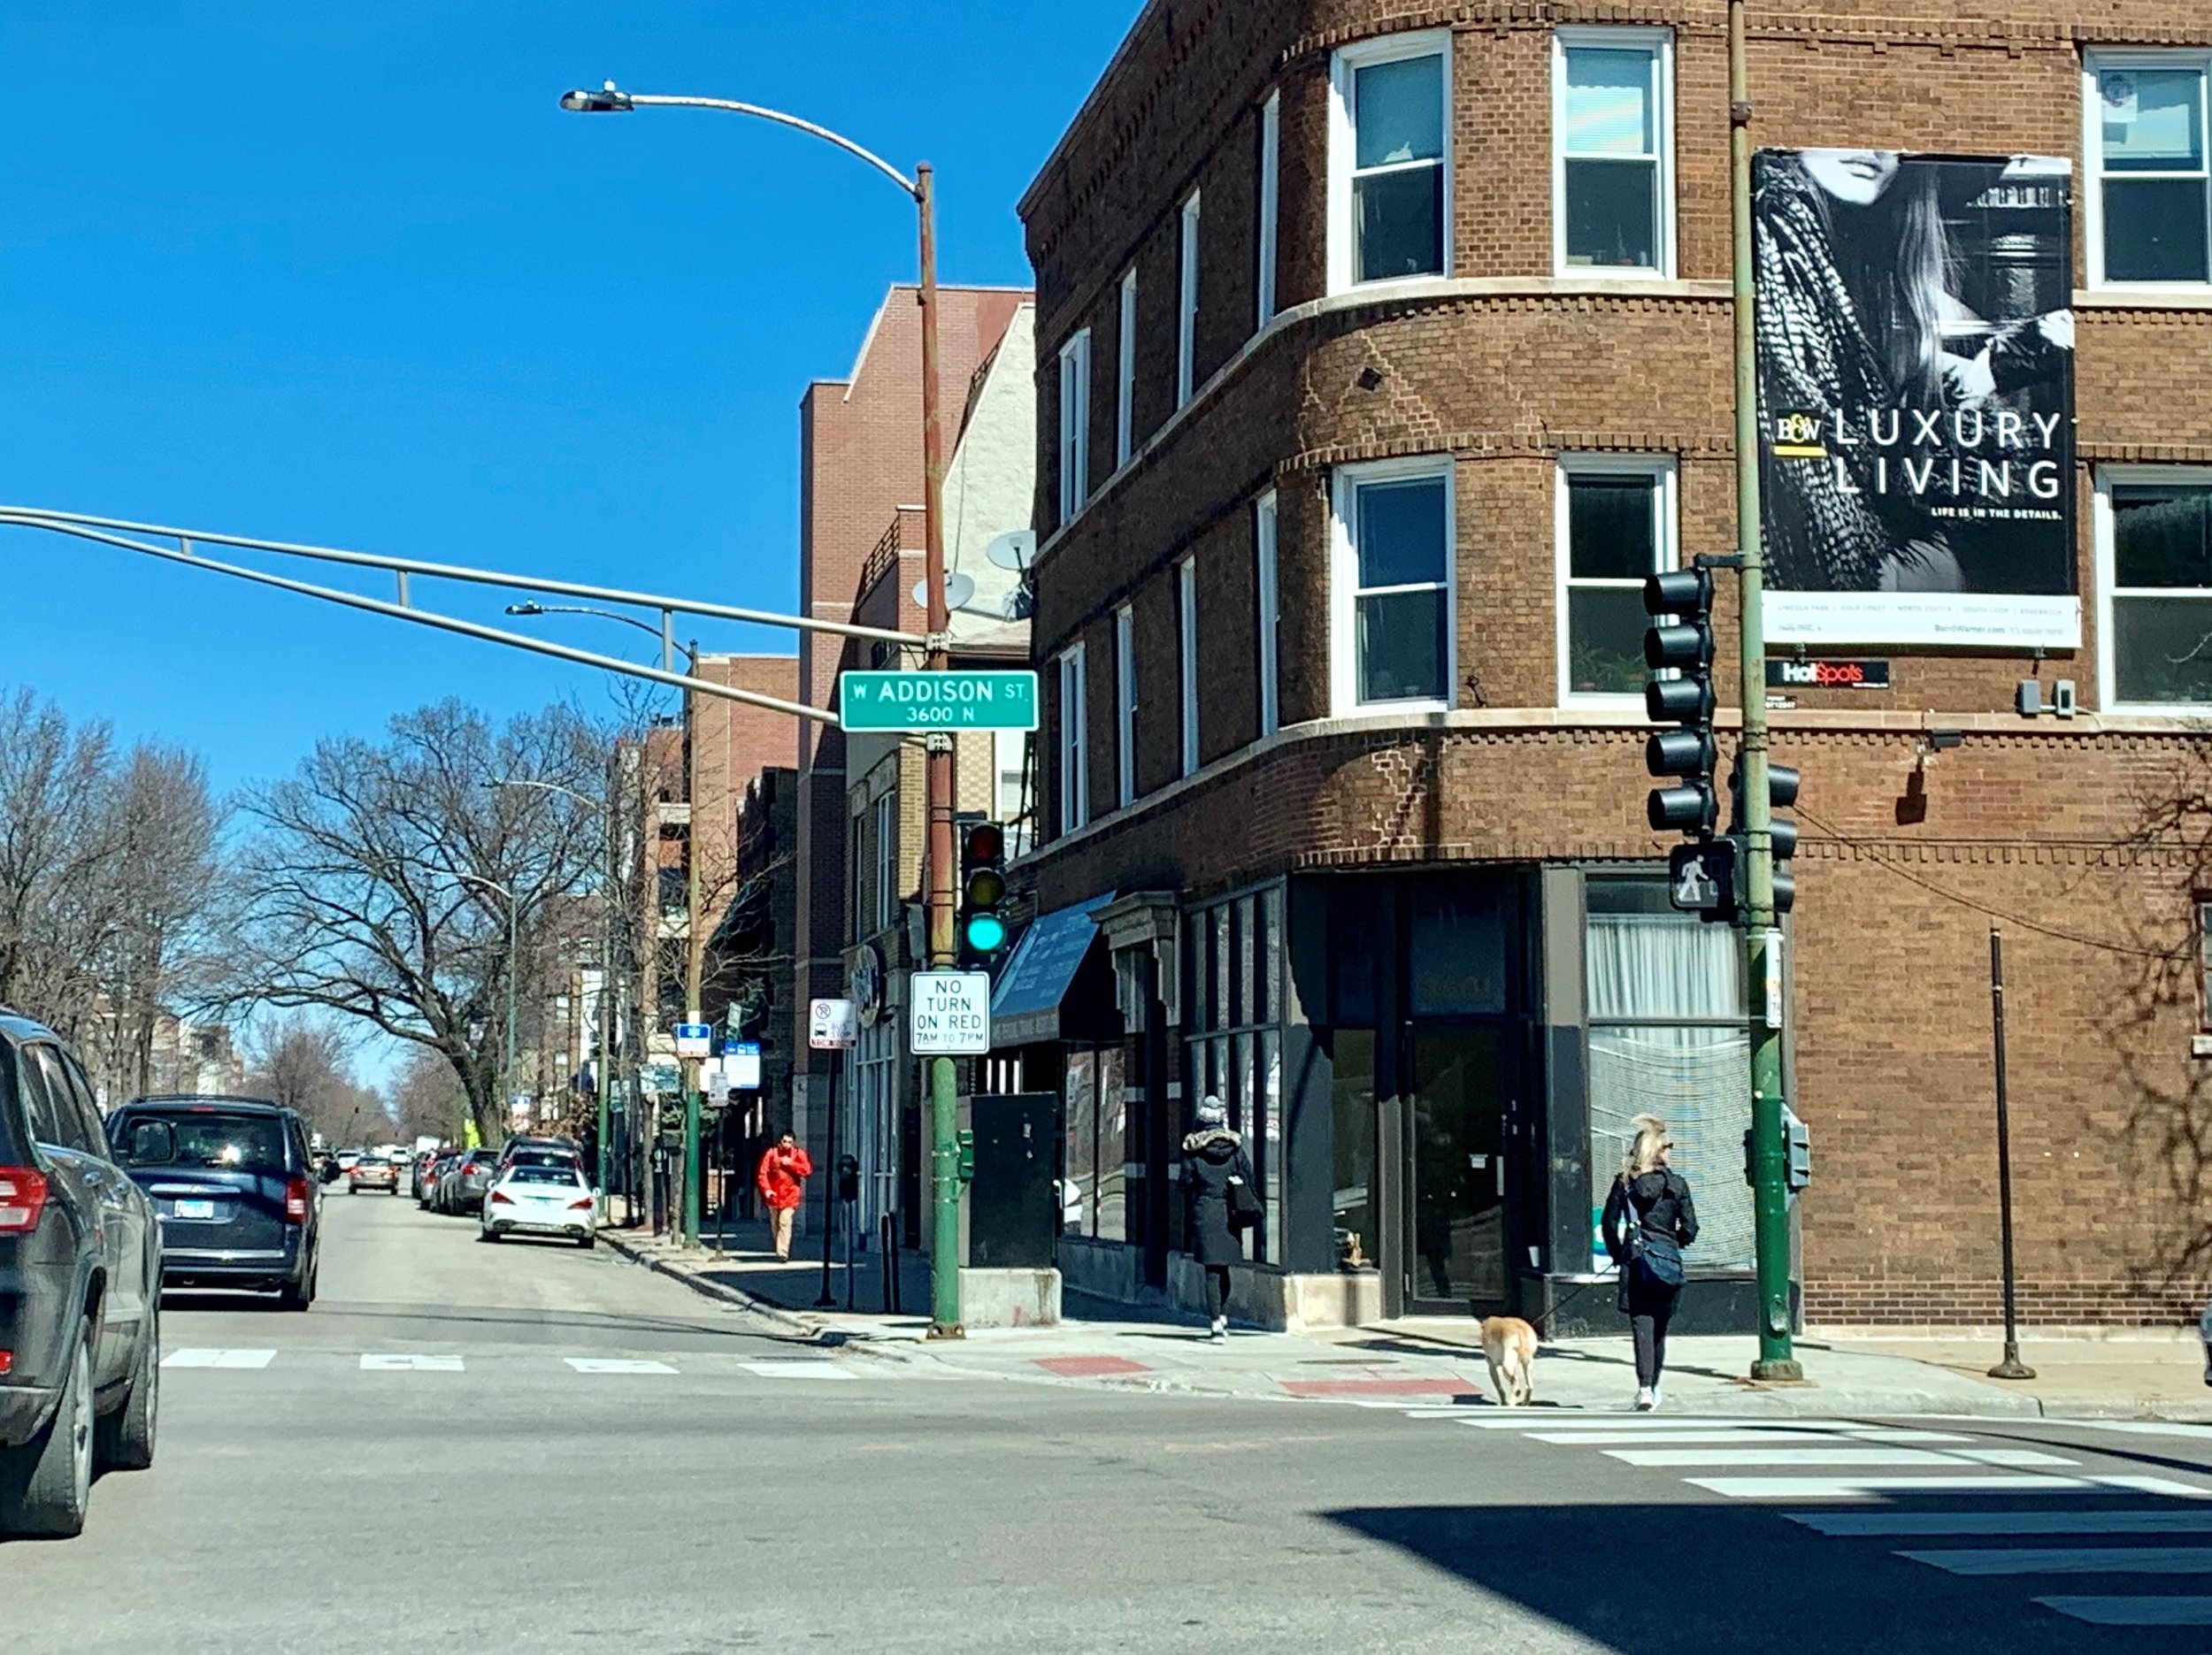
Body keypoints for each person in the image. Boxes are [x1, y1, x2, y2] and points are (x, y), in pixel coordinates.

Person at [1602, 1115, 1699, 1412]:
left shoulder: (1626, 1182)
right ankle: (1653, 1387)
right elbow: (1691, 1227)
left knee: (1641, 1323)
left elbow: (1609, 1221)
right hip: (1668, 1263)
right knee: (1660, 1327)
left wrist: (1619, 1252)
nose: (1670, 1152)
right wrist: (1674, 1241)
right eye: (1668, 1146)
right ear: (1659, 1151)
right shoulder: (1678, 1185)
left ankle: (1644, 1388)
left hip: (1636, 1262)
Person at [1182, 1095, 1257, 1343]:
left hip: (1206, 1213)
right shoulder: (1235, 1150)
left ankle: (1215, 1323)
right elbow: (1250, 1177)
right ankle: (1223, 1316)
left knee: (1211, 1271)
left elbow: (1185, 1184)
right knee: (1224, 1268)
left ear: (1201, 1123)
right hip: (1230, 1215)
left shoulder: (1194, 1153)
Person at [755, 1130, 813, 1262]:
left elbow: (807, 1170)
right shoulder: (771, 1154)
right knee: (775, 1223)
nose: (787, 1145)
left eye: (790, 1142)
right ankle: (779, 1246)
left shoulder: (799, 1154)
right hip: (774, 1195)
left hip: (790, 1195)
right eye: (785, 1141)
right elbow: (762, 1174)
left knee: (785, 1221)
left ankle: (783, 1252)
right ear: (780, 1142)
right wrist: (767, 1190)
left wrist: (791, 1164)